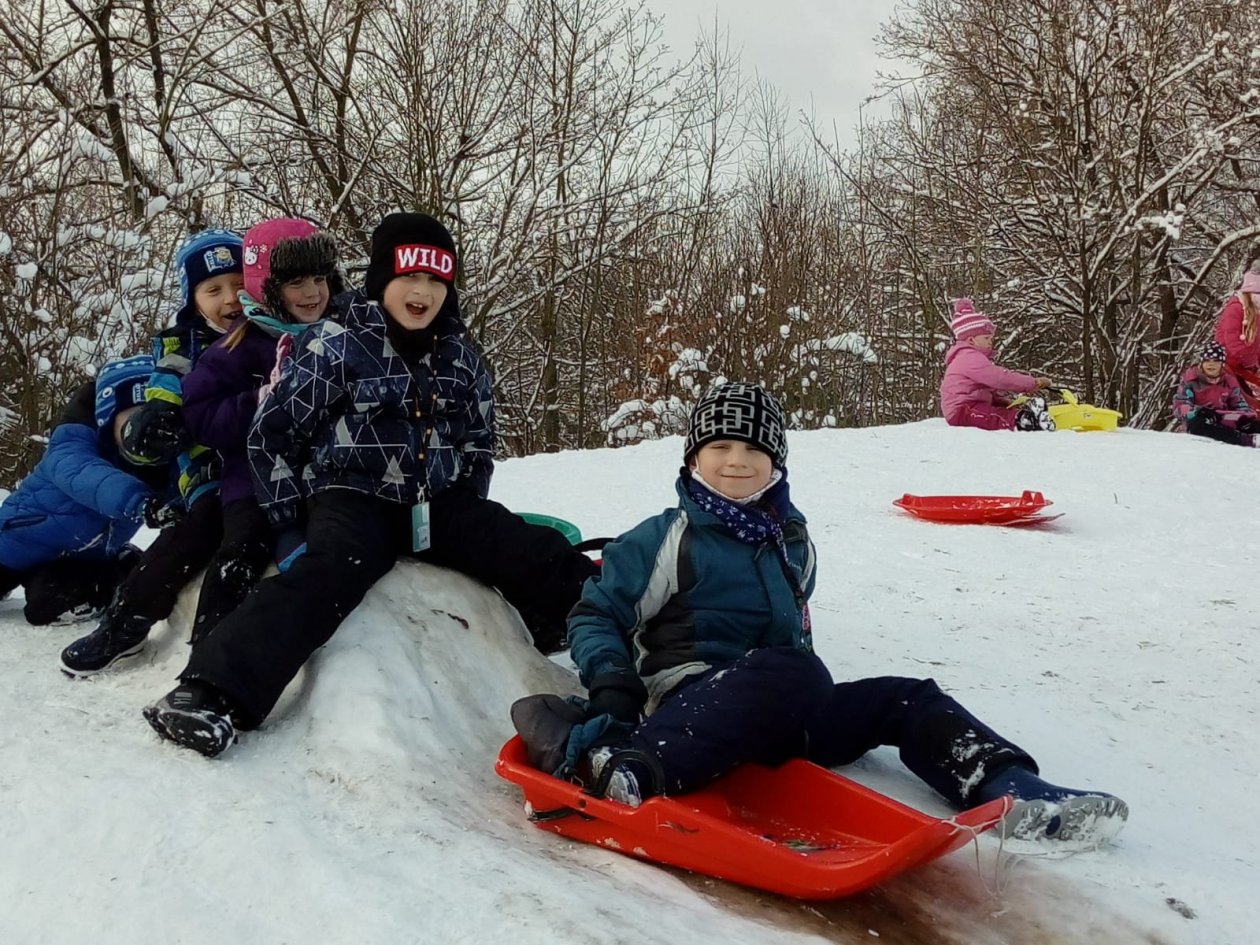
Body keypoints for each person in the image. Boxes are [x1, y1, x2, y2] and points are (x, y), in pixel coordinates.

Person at [512, 383, 1128, 847]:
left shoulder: (790, 537)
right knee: (796, 674)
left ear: (776, 460)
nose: (735, 461)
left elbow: (793, 629)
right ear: (693, 458)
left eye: (753, 448)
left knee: (904, 698)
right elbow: (595, 614)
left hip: (777, 705)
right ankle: (629, 768)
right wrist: (615, 685)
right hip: (689, 703)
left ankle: (1010, 790)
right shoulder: (666, 537)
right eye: (718, 446)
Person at [142, 211, 599, 757]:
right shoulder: (337, 346)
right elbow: (273, 436)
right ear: (382, 279)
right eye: (410, 277)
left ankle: (641, 642)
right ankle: (209, 692)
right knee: (325, 575)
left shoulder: (460, 356)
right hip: (352, 495)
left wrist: (465, 497)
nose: (422, 291)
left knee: (531, 549)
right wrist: (290, 523)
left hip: (437, 500)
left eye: (436, 280)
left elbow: (478, 435)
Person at [59, 229, 245, 675]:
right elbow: (164, 398)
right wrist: (152, 430)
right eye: (214, 289)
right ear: (193, 298)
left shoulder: (269, 332)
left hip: (267, 468)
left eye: (240, 284)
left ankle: (226, 649)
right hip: (208, 474)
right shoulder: (181, 349)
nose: (230, 299)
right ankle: (127, 622)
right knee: (192, 533)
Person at [0, 356, 181, 626]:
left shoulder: (161, 466)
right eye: (135, 418)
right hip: (16, 544)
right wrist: (142, 503)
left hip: (80, 560)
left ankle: (119, 570)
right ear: (108, 419)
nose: (146, 430)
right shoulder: (71, 446)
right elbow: (85, 476)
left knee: (49, 606)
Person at [940, 298, 1056, 431]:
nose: (990, 342)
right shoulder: (968, 357)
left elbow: (983, 389)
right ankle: (1023, 420)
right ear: (971, 340)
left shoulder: (970, 357)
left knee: (993, 412)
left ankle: (1029, 416)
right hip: (961, 410)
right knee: (994, 417)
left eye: (991, 338)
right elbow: (999, 378)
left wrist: (1001, 401)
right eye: (986, 338)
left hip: (971, 405)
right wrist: (1032, 383)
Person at [1172, 340, 1260, 448]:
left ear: (1222, 364)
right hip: (1200, 420)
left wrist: (1244, 417)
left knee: (1252, 424)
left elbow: (1240, 404)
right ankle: (1245, 440)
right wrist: (1198, 412)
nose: (1211, 364)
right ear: (1201, 363)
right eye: (1207, 360)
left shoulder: (1229, 382)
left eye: (1216, 361)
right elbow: (1180, 405)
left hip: (1224, 418)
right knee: (1198, 425)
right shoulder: (1191, 381)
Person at [1212, 263, 1260, 405]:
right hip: (1228, 367)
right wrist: (1250, 360)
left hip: (1247, 367)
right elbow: (1232, 341)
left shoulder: (1257, 312)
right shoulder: (1236, 309)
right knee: (1249, 402)